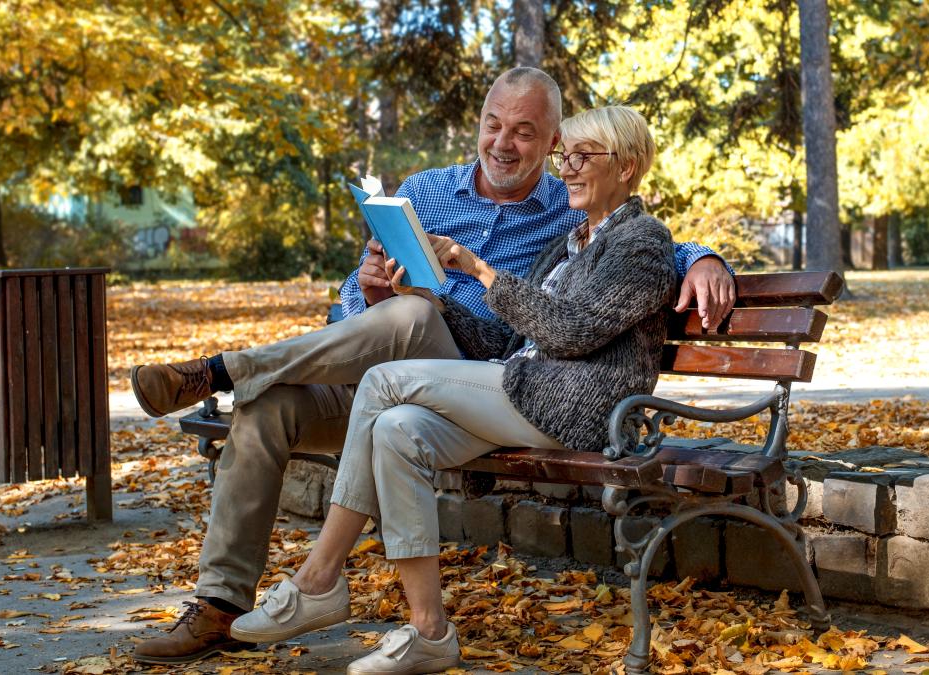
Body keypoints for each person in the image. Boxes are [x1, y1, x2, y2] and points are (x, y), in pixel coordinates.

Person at [129, 68, 733, 666]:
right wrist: (369, 290)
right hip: (390, 363)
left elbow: (643, 245)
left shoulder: (566, 207)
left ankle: (221, 378)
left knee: (414, 318)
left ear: (552, 141)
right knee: (270, 406)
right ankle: (221, 605)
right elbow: (357, 300)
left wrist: (705, 258)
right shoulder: (428, 190)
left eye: (525, 133)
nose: (503, 143)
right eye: (493, 125)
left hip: (475, 377)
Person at [227, 104, 674, 675]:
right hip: (525, 390)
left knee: (383, 382)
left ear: (627, 166)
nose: (567, 168)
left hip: (576, 407)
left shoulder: (642, 241)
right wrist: (433, 302)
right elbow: (506, 341)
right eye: (566, 156)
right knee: (397, 430)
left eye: (582, 157)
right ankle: (429, 631)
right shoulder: (570, 242)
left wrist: (480, 269)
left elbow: (573, 331)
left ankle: (318, 579)